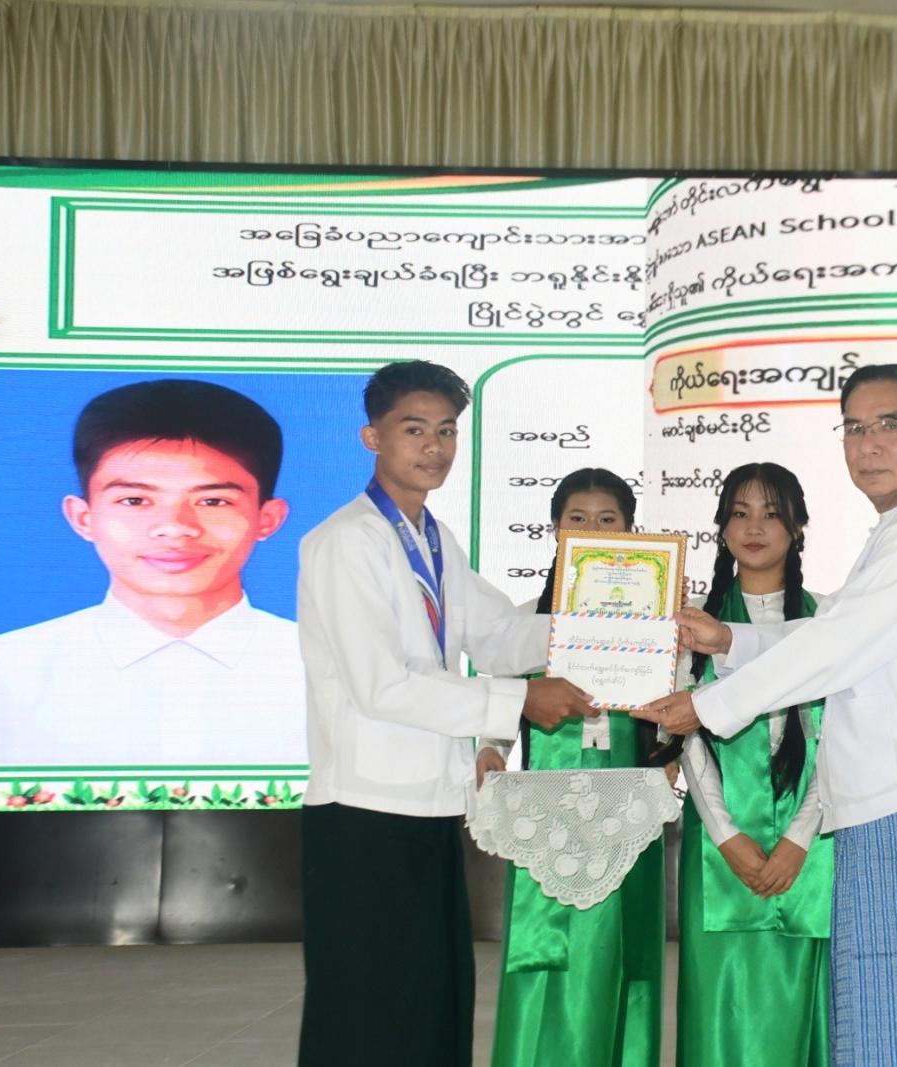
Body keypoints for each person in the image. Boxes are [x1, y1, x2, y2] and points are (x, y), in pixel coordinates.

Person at [635, 364, 897, 1067]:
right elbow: (834, 628)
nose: (868, 443)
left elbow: (834, 646)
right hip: (895, 809)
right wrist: (729, 639)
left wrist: (705, 705)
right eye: (854, 427)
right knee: (893, 1028)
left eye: (889, 423)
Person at [296, 360, 595, 1067]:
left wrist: (607, 625)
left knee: (431, 1005)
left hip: (431, 805)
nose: (434, 446)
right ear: (372, 436)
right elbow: (382, 687)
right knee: (367, 1017)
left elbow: (499, 635)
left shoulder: (433, 537)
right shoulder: (345, 541)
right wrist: (521, 699)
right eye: (414, 429)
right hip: (362, 813)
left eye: (447, 430)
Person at [0, 378, 305, 765]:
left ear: (267, 519)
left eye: (213, 501)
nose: (174, 527)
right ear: (83, 517)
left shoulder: (344, 678)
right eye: (135, 500)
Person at [488, 467, 667, 1067]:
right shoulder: (523, 623)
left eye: (608, 519)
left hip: (628, 815)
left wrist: (669, 753)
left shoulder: (660, 624)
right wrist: (489, 751)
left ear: (631, 531)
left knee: (624, 957)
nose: (594, 529)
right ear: (556, 530)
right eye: (578, 519)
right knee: (542, 955)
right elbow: (496, 704)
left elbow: (678, 711)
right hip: (546, 818)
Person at [668, 462, 832, 1067]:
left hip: (811, 845)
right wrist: (727, 836)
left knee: (800, 1006)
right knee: (719, 1006)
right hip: (718, 843)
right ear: (722, 527)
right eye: (740, 513)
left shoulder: (828, 619)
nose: (755, 527)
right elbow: (684, 730)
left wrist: (797, 838)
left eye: (771, 513)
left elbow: (838, 741)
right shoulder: (690, 621)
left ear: (799, 525)